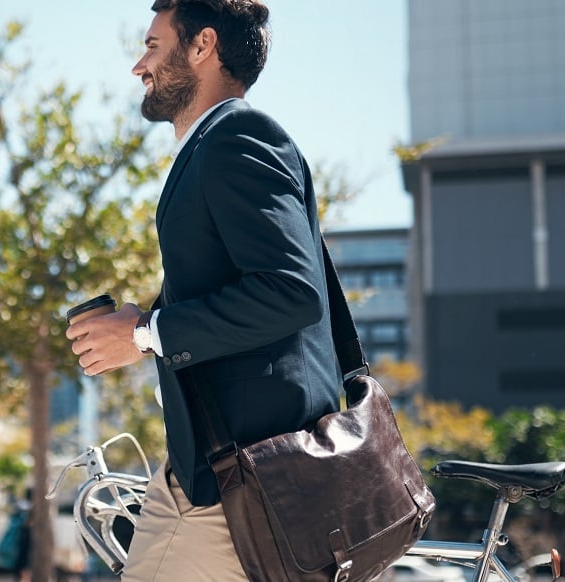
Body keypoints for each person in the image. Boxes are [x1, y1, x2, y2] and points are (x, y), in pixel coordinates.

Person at [64, 0, 340, 579]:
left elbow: (291, 291)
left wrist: (144, 334)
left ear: (202, 46)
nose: (139, 66)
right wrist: (143, 323)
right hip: (222, 466)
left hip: (236, 475)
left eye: (152, 46)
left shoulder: (236, 136)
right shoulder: (213, 147)